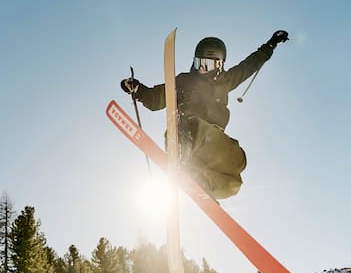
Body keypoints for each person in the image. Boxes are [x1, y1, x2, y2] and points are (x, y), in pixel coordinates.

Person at [120, 30, 289, 199]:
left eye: (206, 65)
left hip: (212, 144)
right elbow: (156, 98)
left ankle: (203, 183)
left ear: (219, 65)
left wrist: (271, 44)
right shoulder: (184, 81)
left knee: (236, 172)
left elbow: (250, 64)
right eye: (197, 62)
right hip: (185, 133)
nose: (200, 69)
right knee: (196, 129)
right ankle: (182, 152)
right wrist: (139, 90)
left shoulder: (227, 81)